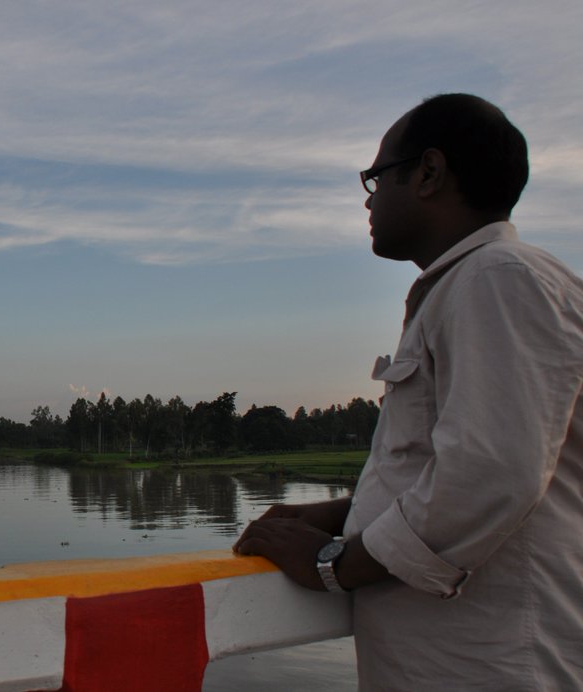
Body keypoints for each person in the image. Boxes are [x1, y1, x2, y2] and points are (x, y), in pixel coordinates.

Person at [233, 93, 583, 691]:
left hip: (487, 666)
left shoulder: (497, 280)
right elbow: (453, 463)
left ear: (427, 173)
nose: (368, 202)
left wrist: (333, 564)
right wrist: (343, 513)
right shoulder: (475, 285)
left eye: (375, 179)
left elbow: (492, 472)